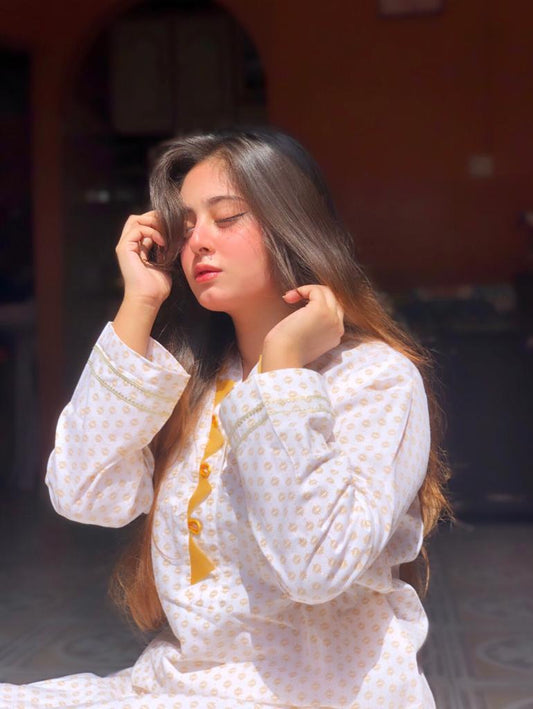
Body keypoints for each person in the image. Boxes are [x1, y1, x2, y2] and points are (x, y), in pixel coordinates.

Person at [1, 128, 450, 708]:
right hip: (180, 683)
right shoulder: (196, 381)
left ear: (292, 224)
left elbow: (315, 566)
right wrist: (140, 301)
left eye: (227, 217)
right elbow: (83, 493)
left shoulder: (374, 379)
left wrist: (282, 365)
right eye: (185, 226)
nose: (198, 242)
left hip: (317, 696)